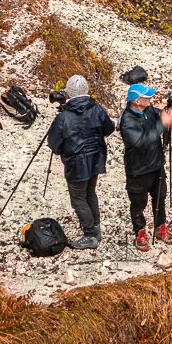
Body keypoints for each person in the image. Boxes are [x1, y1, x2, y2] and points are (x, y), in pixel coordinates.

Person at [46, 75, 115, 250]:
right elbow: (109, 128)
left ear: (68, 92)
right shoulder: (97, 109)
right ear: (86, 90)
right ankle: (95, 228)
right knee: (90, 193)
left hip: (76, 163)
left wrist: (64, 150)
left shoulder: (64, 117)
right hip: (96, 158)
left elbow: (53, 144)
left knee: (78, 199)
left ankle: (90, 234)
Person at [118, 83, 172, 251]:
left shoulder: (148, 110)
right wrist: (161, 124)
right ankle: (140, 231)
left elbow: (160, 115)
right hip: (138, 170)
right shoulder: (127, 121)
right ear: (136, 101)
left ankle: (160, 227)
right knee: (138, 202)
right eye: (146, 97)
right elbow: (140, 142)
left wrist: (167, 114)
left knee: (160, 197)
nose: (150, 98)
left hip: (156, 164)